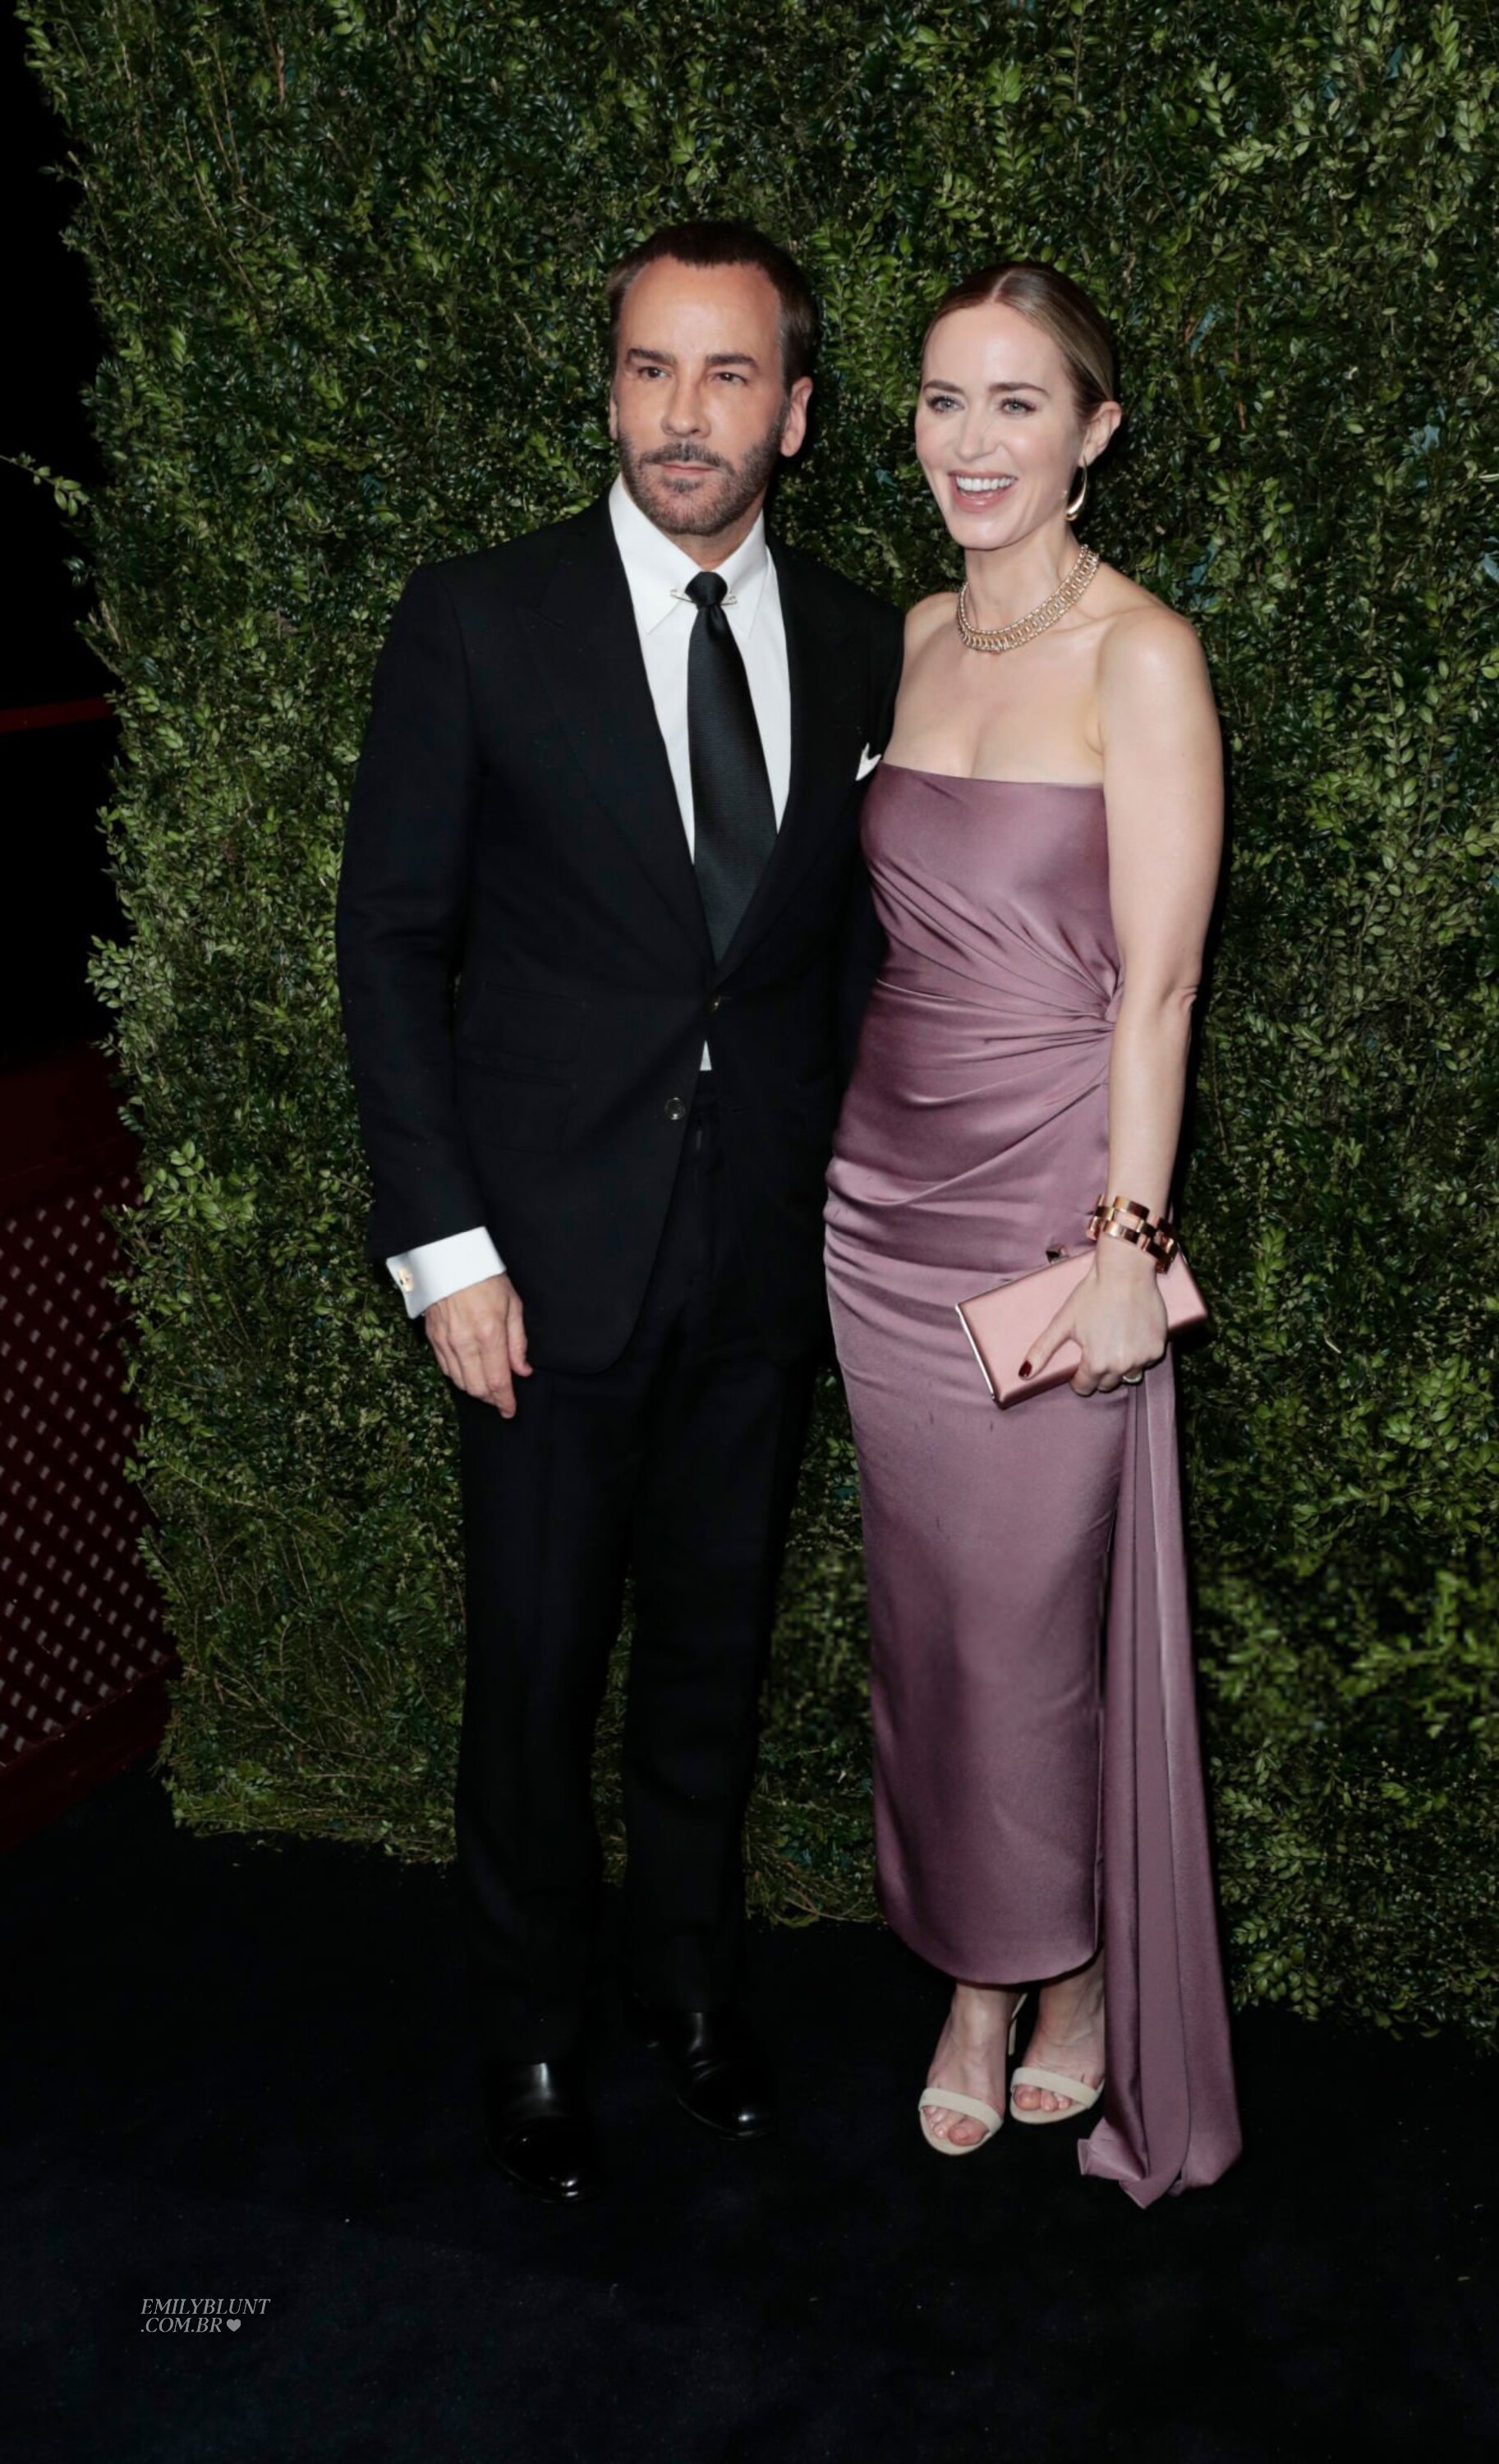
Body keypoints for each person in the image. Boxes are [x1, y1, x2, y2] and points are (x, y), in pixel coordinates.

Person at [335, 220, 902, 2204]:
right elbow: (391, 946)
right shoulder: (479, 620)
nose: (681, 412)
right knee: (534, 1676)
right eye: (650, 368)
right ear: (610, 388)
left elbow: (846, 965)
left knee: (709, 1666)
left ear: (795, 413)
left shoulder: (866, 642)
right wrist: (447, 1252)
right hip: (534, 1273)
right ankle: (533, 2033)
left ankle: (689, 1990)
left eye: (727, 373)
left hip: (761, 1264)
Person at [823, 263, 1242, 2200]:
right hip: (877, 1209)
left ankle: (1032, 1981)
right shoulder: (914, 638)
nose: (970, 441)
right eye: (941, 400)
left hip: (1050, 1211)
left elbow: (1160, 988)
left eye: (1015, 403)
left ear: (1093, 433)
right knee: (928, 1626)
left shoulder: (1140, 656)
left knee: (1021, 1633)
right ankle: (998, 1965)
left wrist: (1124, 1246)